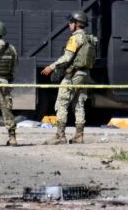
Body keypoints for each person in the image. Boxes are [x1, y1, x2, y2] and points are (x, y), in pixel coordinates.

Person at [41, 11, 97, 144]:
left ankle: (60, 136)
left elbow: (67, 57)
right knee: (78, 104)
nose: (69, 25)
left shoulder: (75, 38)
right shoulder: (89, 38)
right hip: (84, 75)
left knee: (61, 103)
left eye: (71, 22)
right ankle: (79, 135)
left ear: (77, 24)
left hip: (73, 75)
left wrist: (52, 67)